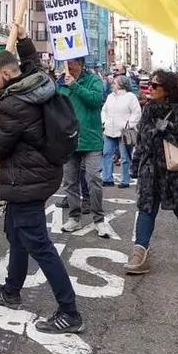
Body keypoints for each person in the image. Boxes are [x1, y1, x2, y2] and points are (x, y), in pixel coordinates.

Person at [0, 38, 84, 335]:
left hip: (27, 180)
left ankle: (69, 311)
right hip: (39, 173)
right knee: (14, 232)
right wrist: (23, 40)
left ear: (7, 75)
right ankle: (11, 290)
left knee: (39, 244)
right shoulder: (38, 83)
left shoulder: (13, 103)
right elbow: (33, 62)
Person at [124, 70, 178, 274]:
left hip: (175, 175)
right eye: (150, 85)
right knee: (146, 209)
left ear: (168, 90)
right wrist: (135, 165)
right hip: (150, 172)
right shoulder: (149, 110)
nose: (150, 89)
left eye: (155, 86)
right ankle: (140, 253)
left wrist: (169, 129)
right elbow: (141, 142)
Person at [59, 58, 109, 237]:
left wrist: (75, 86)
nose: (68, 67)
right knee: (70, 182)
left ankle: (99, 219)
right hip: (69, 140)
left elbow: (96, 101)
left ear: (79, 63)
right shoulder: (61, 83)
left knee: (93, 179)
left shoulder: (93, 80)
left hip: (91, 139)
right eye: (65, 64)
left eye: (71, 64)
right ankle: (74, 218)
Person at [101, 75, 141, 188]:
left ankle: (125, 180)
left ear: (121, 85)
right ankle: (107, 178)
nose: (112, 84)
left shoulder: (131, 97)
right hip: (109, 130)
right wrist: (104, 122)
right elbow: (104, 111)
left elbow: (136, 113)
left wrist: (128, 125)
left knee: (125, 157)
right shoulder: (110, 96)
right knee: (106, 154)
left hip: (124, 132)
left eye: (115, 83)